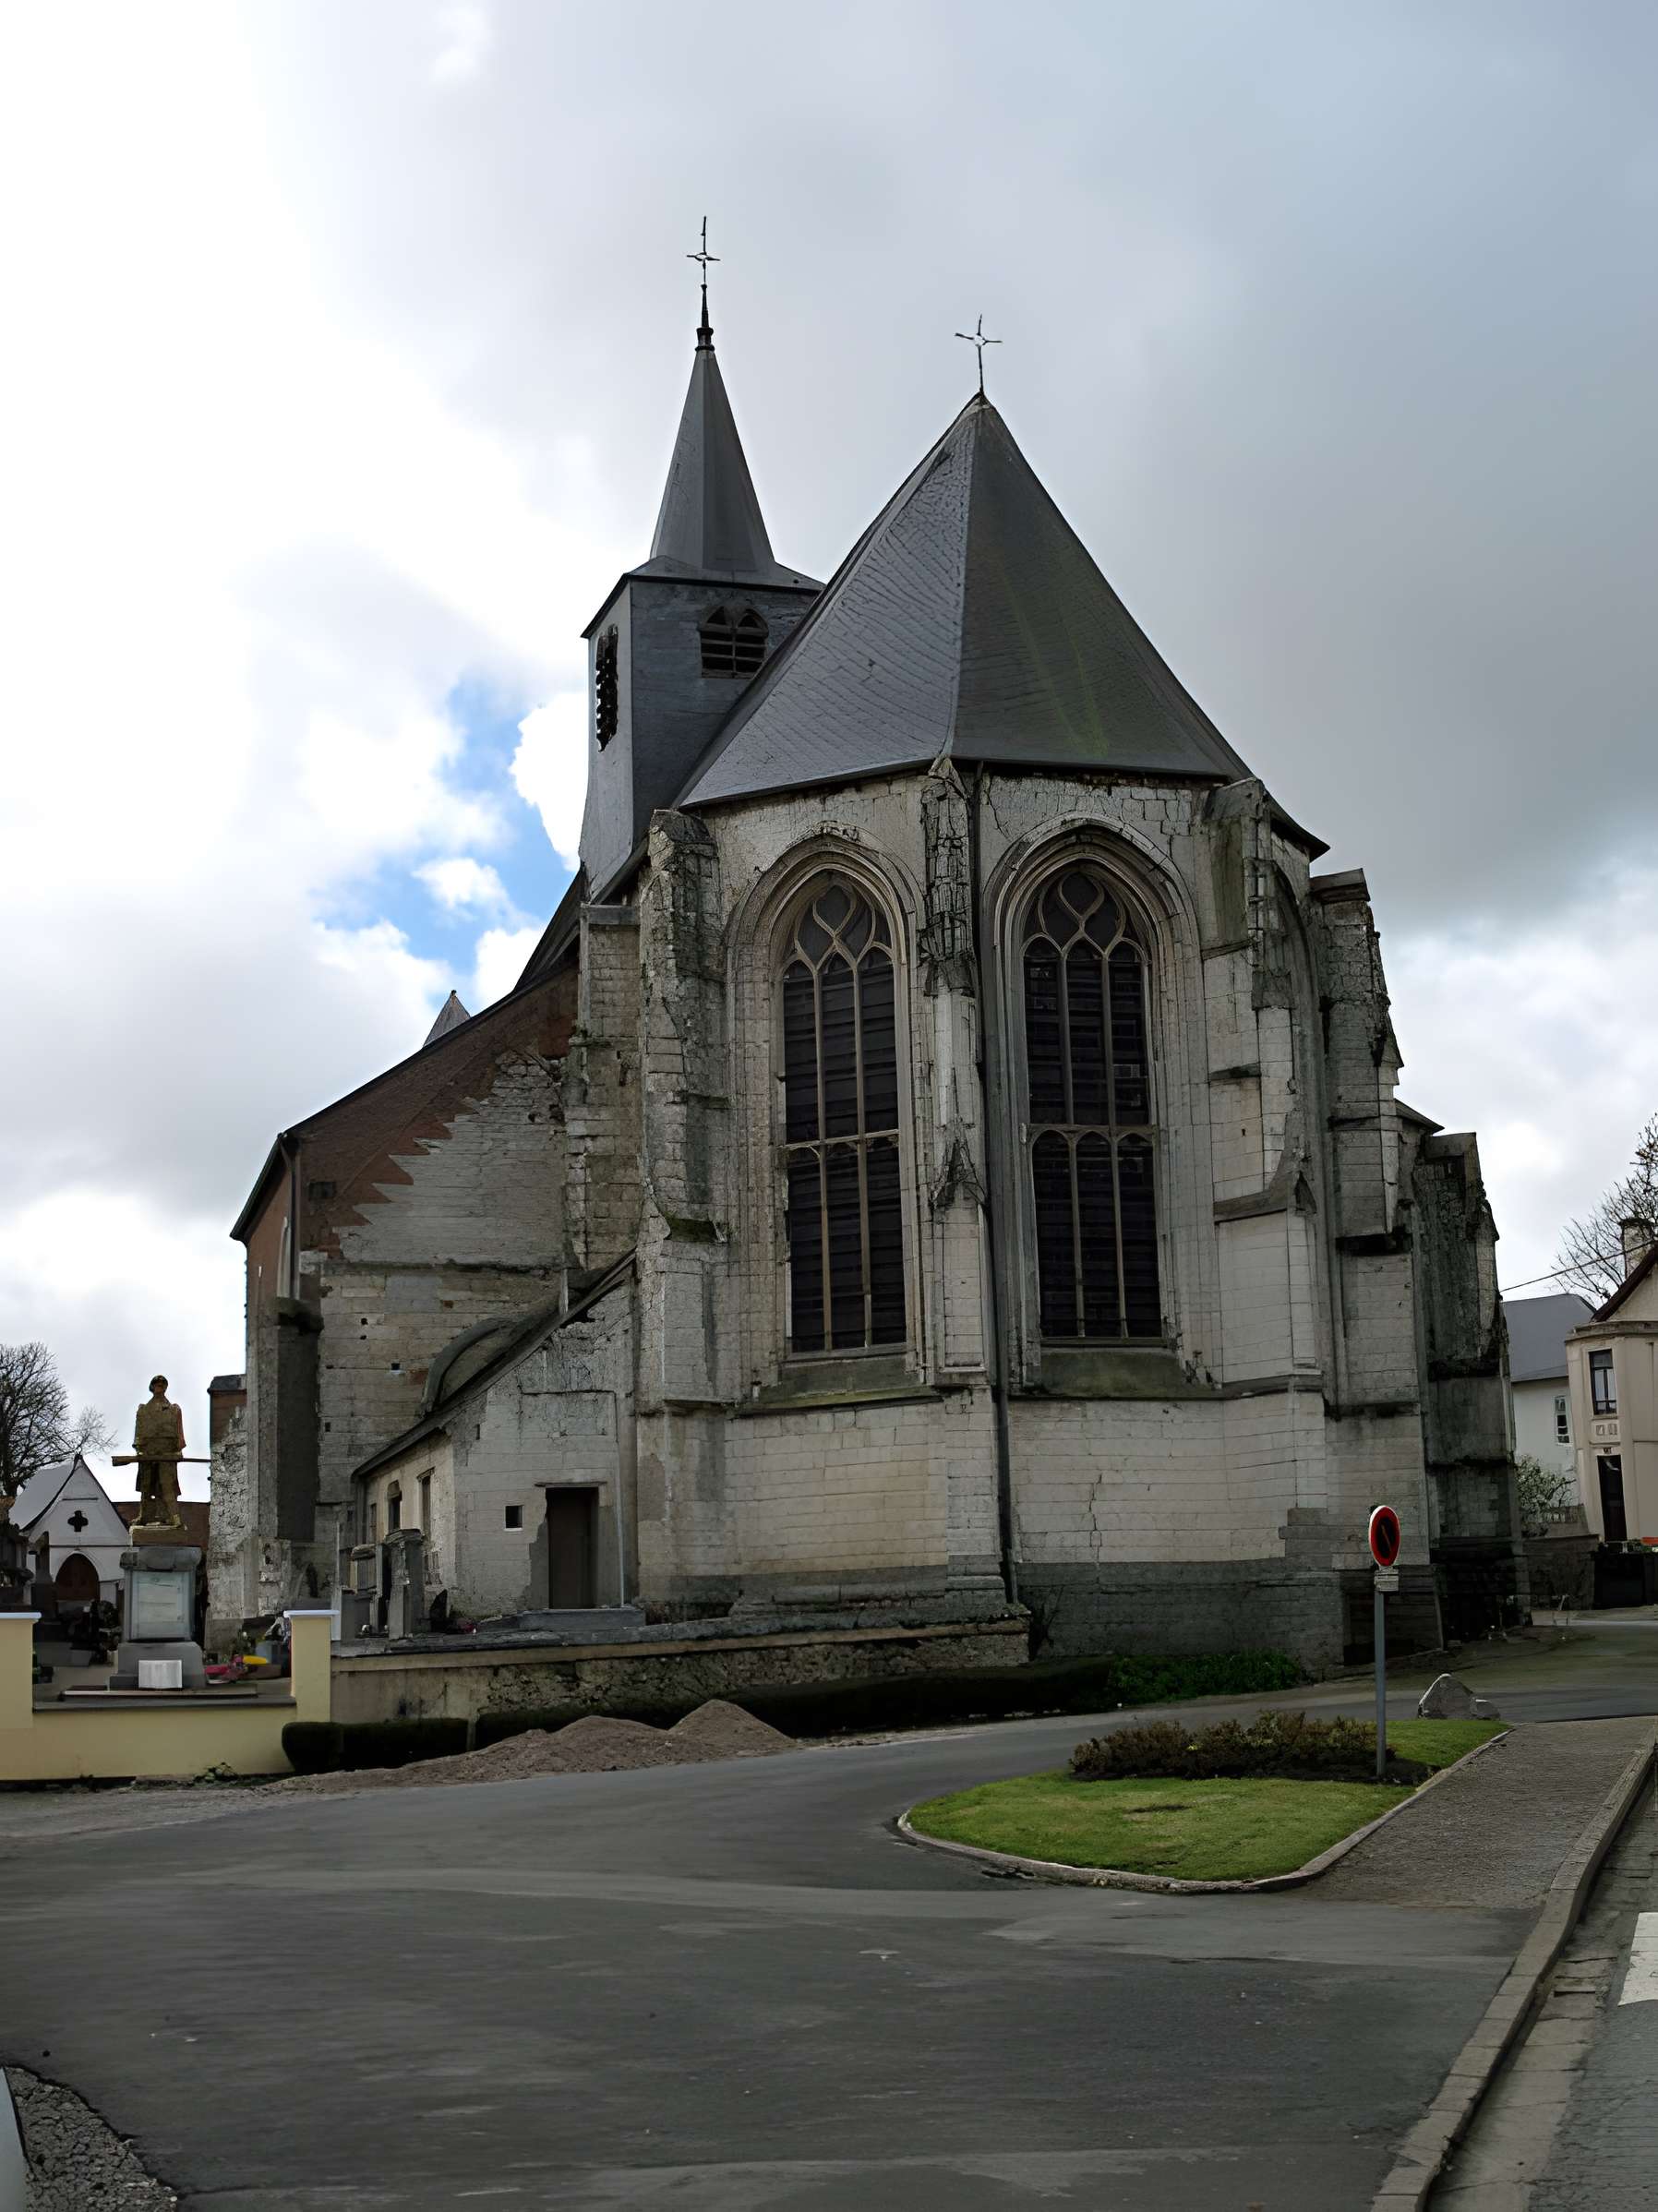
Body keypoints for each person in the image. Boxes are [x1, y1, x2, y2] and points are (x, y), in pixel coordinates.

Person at [132, 1375, 185, 1531]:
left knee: (167, 1486)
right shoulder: (143, 1409)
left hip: (166, 1453)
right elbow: (138, 1432)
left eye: (162, 1385)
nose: (159, 1387)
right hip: (148, 1452)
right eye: (156, 1384)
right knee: (146, 1486)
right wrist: (139, 1449)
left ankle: (173, 1517)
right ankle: (144, 1516)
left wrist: (178, 1449)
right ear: (152, 1387)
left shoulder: (173, 1409)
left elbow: (179, 1431)